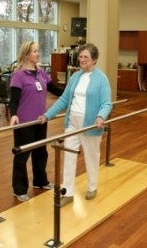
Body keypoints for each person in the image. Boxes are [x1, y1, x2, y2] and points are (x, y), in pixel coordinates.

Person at [39, 43, 112, 206]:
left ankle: (92, 187)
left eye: (85, 57)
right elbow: (64, 99)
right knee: (69, 157)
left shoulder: (101, 79)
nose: (82, 59)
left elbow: (107, 103)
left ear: (94, 60)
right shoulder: (75, 77)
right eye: (80, 56)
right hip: (72, 123)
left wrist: (101, 116)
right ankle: (68, 192)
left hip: (90, 125)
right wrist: (47, 115)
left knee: (91, 157)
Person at [9, 41, 63, 202]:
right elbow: (14, 99)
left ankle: (40, 181)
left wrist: (73, 92)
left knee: (41, 152)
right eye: (34, 51)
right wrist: (13, 114)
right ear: (26, 54)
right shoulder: (18, 74)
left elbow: (55, 90)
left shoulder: (41, 73)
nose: (38, 54)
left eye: (38, 51)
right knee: (22, 155)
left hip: (41, 119)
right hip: (25, 122)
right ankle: (19, 189)